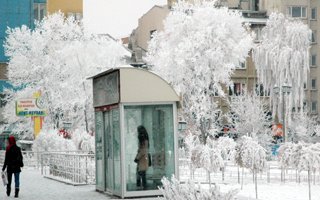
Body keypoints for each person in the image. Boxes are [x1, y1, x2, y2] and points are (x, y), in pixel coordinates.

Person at [134, 125, 149, 190]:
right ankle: (141, 186)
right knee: (141, 173)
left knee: (141, 173)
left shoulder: (143, 140)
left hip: (142, 159)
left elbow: (143, 150)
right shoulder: (144, 139)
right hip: (142, 158)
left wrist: (137, 157)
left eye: (138, 131)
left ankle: (142, 186)